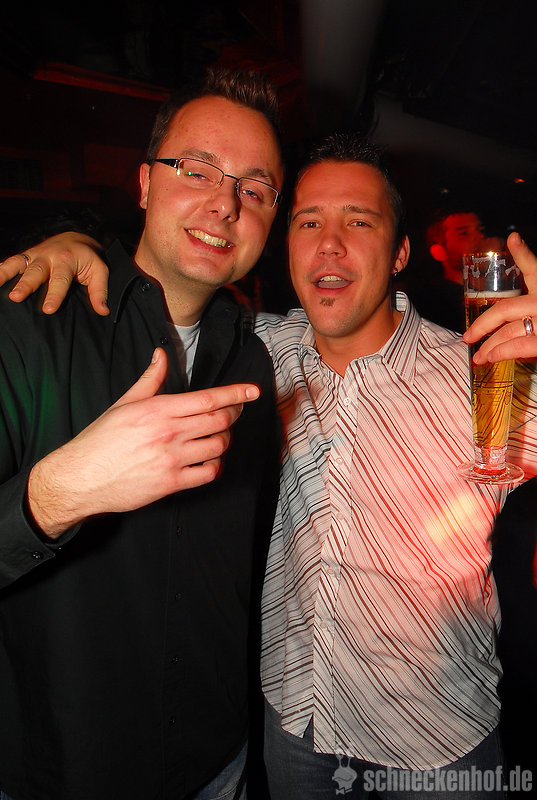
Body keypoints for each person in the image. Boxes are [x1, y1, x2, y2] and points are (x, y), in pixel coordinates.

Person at [4, 135, 537, 799]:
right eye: (308, 223)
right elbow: (165, 289)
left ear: (400, 252)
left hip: (435, 737)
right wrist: (73, 240)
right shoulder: (253, 350)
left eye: (359, 222)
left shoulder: (485, 375)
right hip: (293, 724)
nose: (329, 245)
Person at [0, 68, 284, 800]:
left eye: (255, 190)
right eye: (197, 170)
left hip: (218, 762)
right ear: (145, 183)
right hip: (64, 773)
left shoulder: (255, 360)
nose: (225, 203)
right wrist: (56, 493)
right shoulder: (30, 319)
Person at [404, 205, 493, 332]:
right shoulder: (431, 305)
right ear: (439, 252)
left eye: (480, 230)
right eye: (464, 233)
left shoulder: (498, 288)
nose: (480, 237)